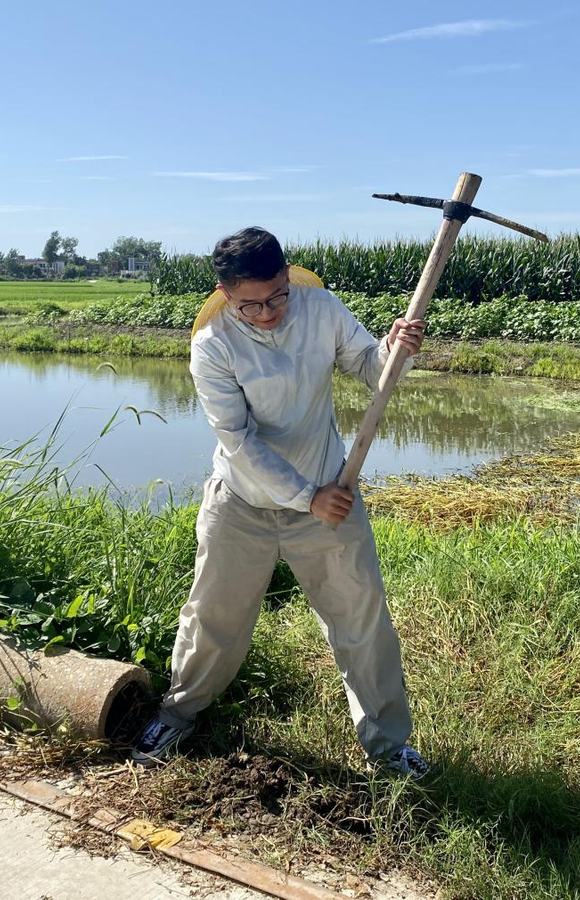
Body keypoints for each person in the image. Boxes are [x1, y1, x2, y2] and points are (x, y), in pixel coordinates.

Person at [131, 227, 429, 777]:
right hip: (243, 502)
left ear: (289, 277)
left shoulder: (321, 308)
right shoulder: (212, 343)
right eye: (250, 305)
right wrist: (304, 496)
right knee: (214, 616)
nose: (267, 313)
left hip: (329, 498)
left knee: (362, 620)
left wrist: (395, 350)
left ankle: (388, 746)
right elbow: (237, 441)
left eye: (276, 297)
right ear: (225, 295)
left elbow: (370, 370)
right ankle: (178, 714)